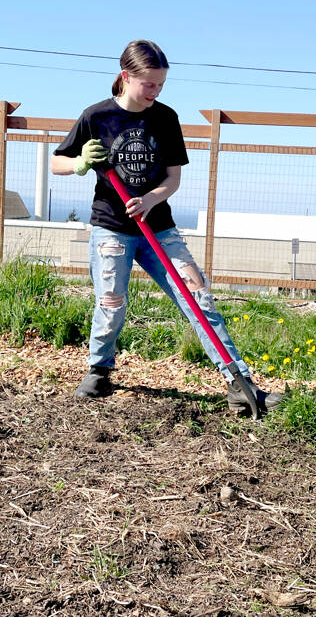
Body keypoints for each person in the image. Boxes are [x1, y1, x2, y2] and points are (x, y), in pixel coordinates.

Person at [51, 39, 281, 413]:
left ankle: (239, 383)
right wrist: (79, 163)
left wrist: (151, 199)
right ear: (126, 77)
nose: (155, 92)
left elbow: (173, 179)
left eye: (161, 84)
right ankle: (99, 370)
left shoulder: (166, 118)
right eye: (149, 84)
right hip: (112, 227)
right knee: (111, 301)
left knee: (197, 294)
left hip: (159, 228)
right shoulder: (96, 117)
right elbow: (55, 162)